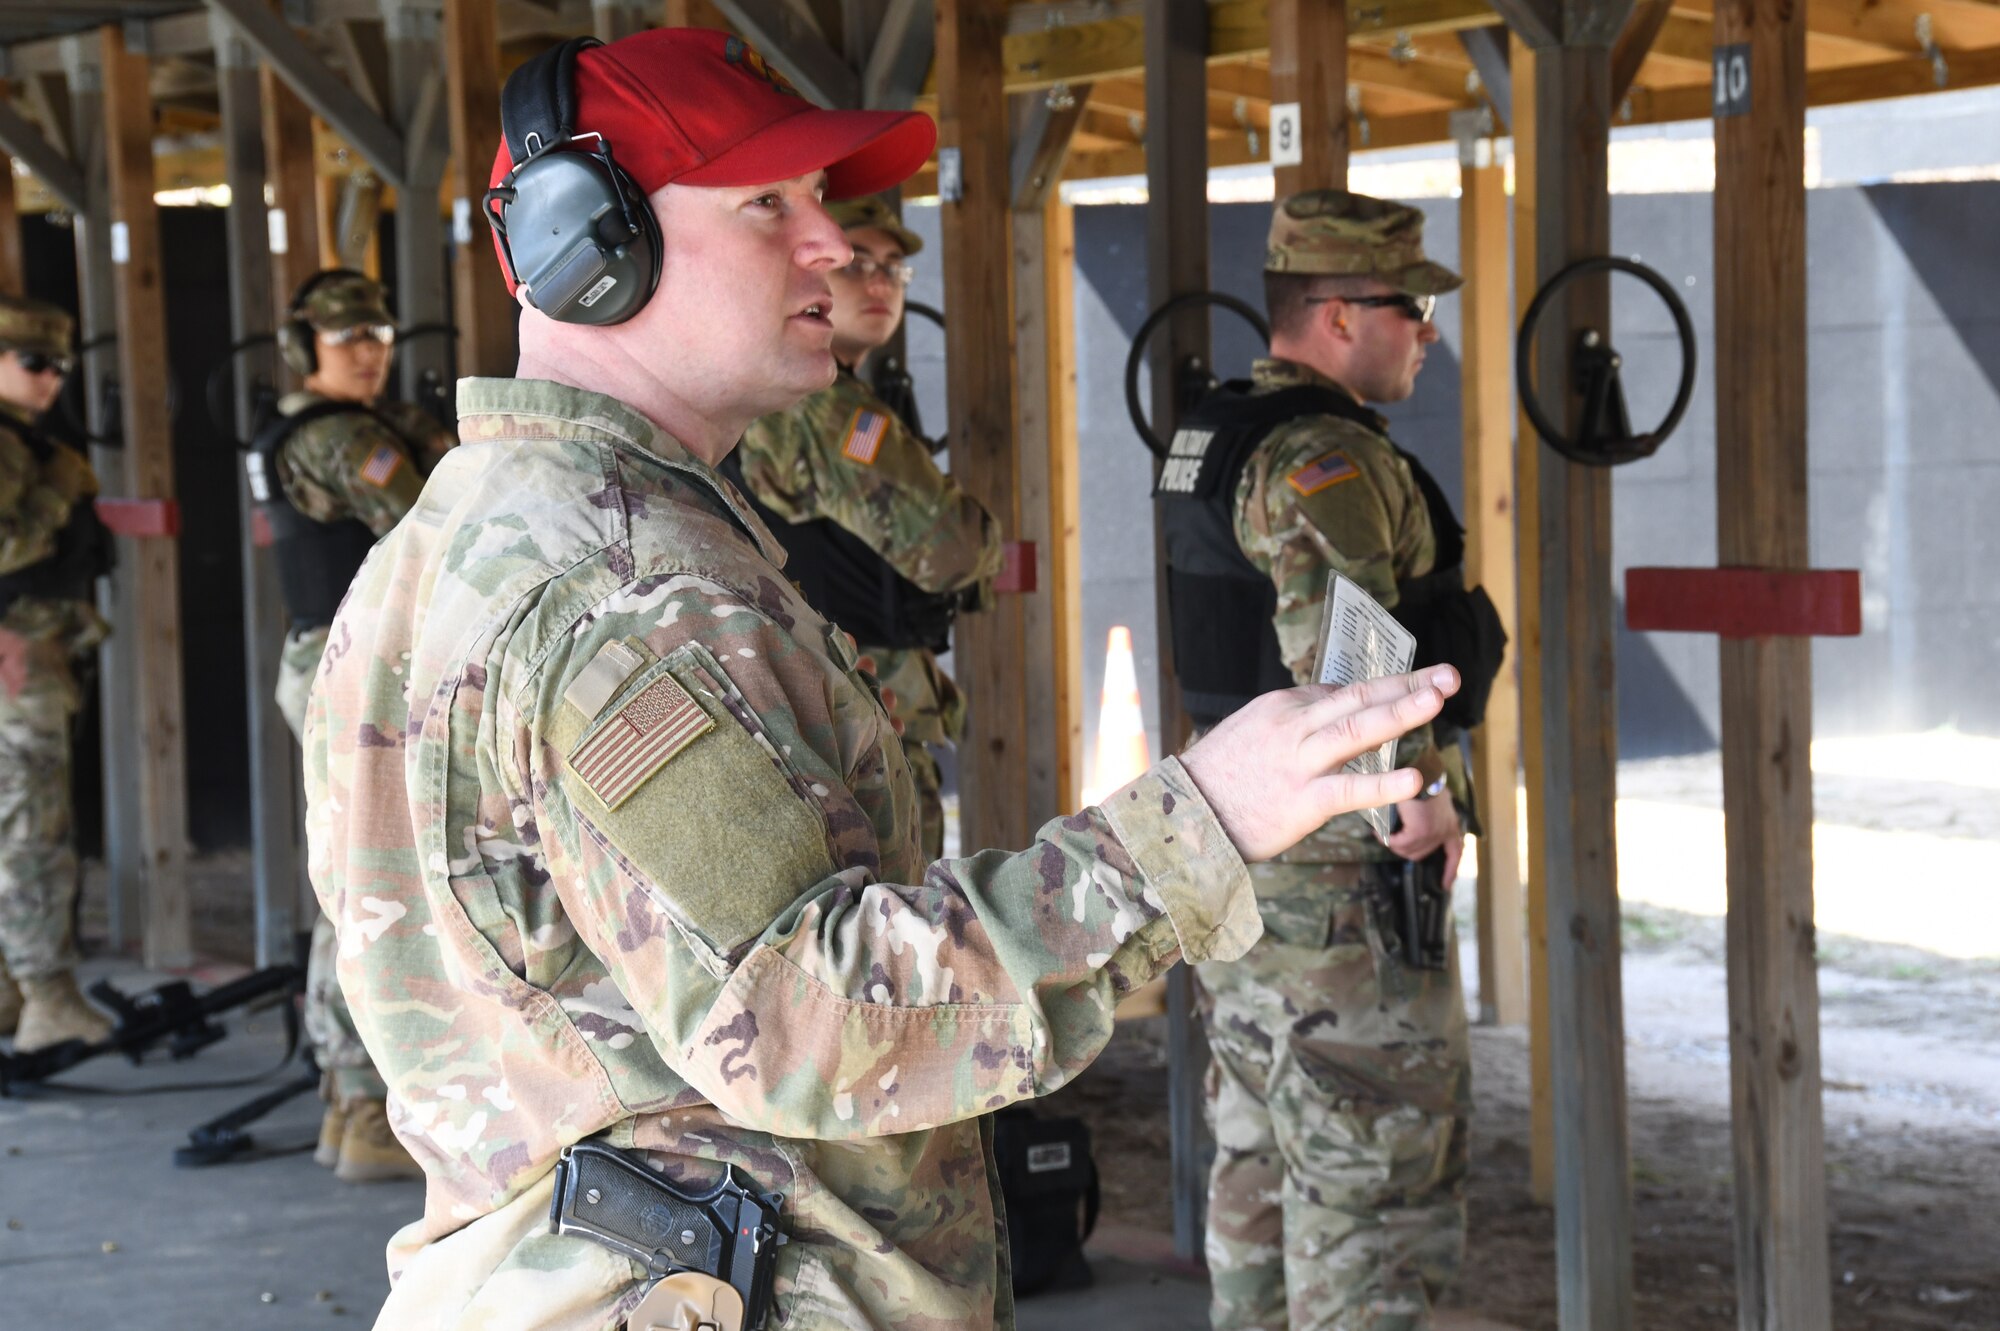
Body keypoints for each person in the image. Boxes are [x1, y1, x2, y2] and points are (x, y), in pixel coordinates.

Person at [304, 31, 1456, 1330]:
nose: (832, 245)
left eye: (822, 204)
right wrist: (1202, 821)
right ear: (593, 244)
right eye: (768, 206)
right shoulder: (625, 595)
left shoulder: (464, 533)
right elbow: (813, 1020)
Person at [1157, 190, 1507, 1331]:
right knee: (1371, 1185)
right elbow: (1348, 659)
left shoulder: (1211, 431)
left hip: (1235, 863)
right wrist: (1419, 801)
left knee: (1257, 1163)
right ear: (1342, 315)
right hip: (1335, 883)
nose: (1428, 330)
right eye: (1413, 305)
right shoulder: (1318, 454)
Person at [250, 268, 454, 1182]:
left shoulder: (350, 429)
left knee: (359, 873)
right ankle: (364, 1101)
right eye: (349, 339)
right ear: (307, 351)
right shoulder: (339, 440)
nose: (370, 352)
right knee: (370, 883)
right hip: (359, 673)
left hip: (351, 662)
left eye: (378, 333)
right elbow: (434, 526)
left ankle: (353, 1104)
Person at [735, 196, 999, 860]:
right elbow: (955, 549)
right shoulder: (825, 407)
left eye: (893, 267)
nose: (880, 282)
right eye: (856, 264)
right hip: (861, 721)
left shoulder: (774, 387)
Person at [0, 294, 115, 1053]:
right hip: (19, 661)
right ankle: (45, 995)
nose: (51, 380)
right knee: (33, 827)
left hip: (35, 653)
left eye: (61, 367)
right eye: (35, 363)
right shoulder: (22, 453)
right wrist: (62, 485)